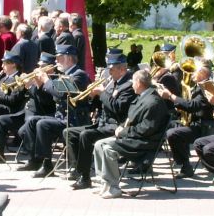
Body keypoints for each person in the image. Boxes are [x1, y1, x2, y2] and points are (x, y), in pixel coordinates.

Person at [92, 69, 170, 199]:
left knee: (107, 148)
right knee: (99, 144)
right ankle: (104, 183)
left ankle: (113, 188)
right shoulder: (143, 97)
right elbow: (131, 119)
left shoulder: (153, 102)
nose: (132, 85)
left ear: (139, 83)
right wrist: (122, 127)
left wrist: (123, 131)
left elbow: (146, 129)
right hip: (136, 138)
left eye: (133, 82)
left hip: (144, 143)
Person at [65, 52, 136, 189]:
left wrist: (102, 93)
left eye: (112, 69)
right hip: (103, 123)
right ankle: (78, 170)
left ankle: (85, 177)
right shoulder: (114, 83)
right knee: (69, 132)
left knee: (85, 136)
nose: (109, 72)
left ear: (122, 69)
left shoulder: (128, 85)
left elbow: (118, 107)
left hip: (116, 126)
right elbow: (101, 105)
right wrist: (93, 96)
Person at [17, 44, 90, 177]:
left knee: (42, 124)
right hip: (62, 116)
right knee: (33, 121)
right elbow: (54, 95)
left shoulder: (79, 75)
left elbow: (61, 94)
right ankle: (36, 160)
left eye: (58, 58)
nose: (56, 61)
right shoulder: (64, 74)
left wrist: (45, 80)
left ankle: (47, 165)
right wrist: (39, 85)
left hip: (75, 119)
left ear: (67, 58)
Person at [0, 52, 57, 164]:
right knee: (0, 120)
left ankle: (34, 160)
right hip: (25, 112)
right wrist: (30, 85)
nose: (39, 68)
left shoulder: (53, 81)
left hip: (40, 113)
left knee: (26, 128)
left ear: (50, 67)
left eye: (42, 66)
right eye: (39, 65)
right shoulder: (37, 78)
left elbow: (45, 102)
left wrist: (34, 85)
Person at [160, 61, 214, 178]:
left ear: (203, 74)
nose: (191, 74)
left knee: (173, 133)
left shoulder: (208, 87)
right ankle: (183, 163)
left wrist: (171, 96)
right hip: (195, 123)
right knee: (167, 124)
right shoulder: (199, 85)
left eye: (194, 71)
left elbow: (192, 106)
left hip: (204, 127)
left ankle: (185, 166)